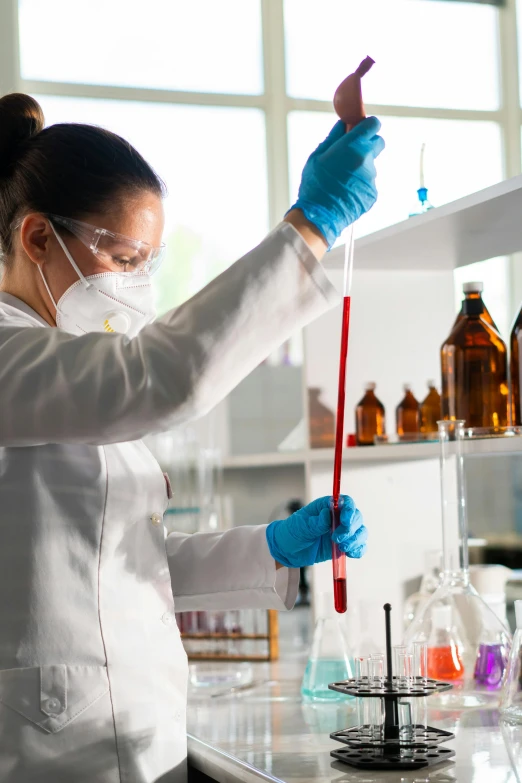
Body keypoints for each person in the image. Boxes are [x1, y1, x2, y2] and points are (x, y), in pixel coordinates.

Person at [0, 92, 384, 783]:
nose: (139, 285)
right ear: (36, 238)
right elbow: (162, 375)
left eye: (149, 262)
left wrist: (266, 546)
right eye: (124, 258)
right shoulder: (10, 356)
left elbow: (114, 565)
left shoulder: (68, 361)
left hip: (131, 730)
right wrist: (309, 230)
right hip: (51, 751)